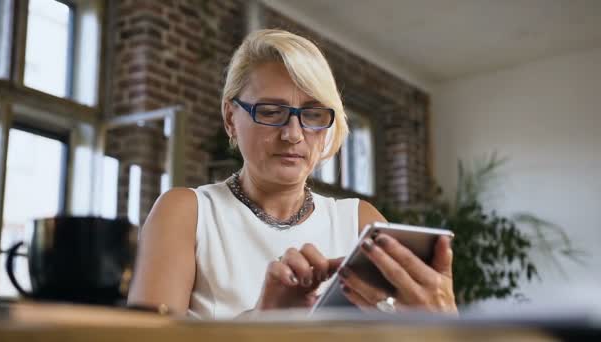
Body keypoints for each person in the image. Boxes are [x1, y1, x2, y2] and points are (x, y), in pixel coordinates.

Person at [127, 29, 457, 319]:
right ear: (230, 117)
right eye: (271, 111)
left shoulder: (359, 222)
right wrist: (262, 323)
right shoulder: (188, 212)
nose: (294, 134)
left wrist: (443, 324)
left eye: (313, 114)